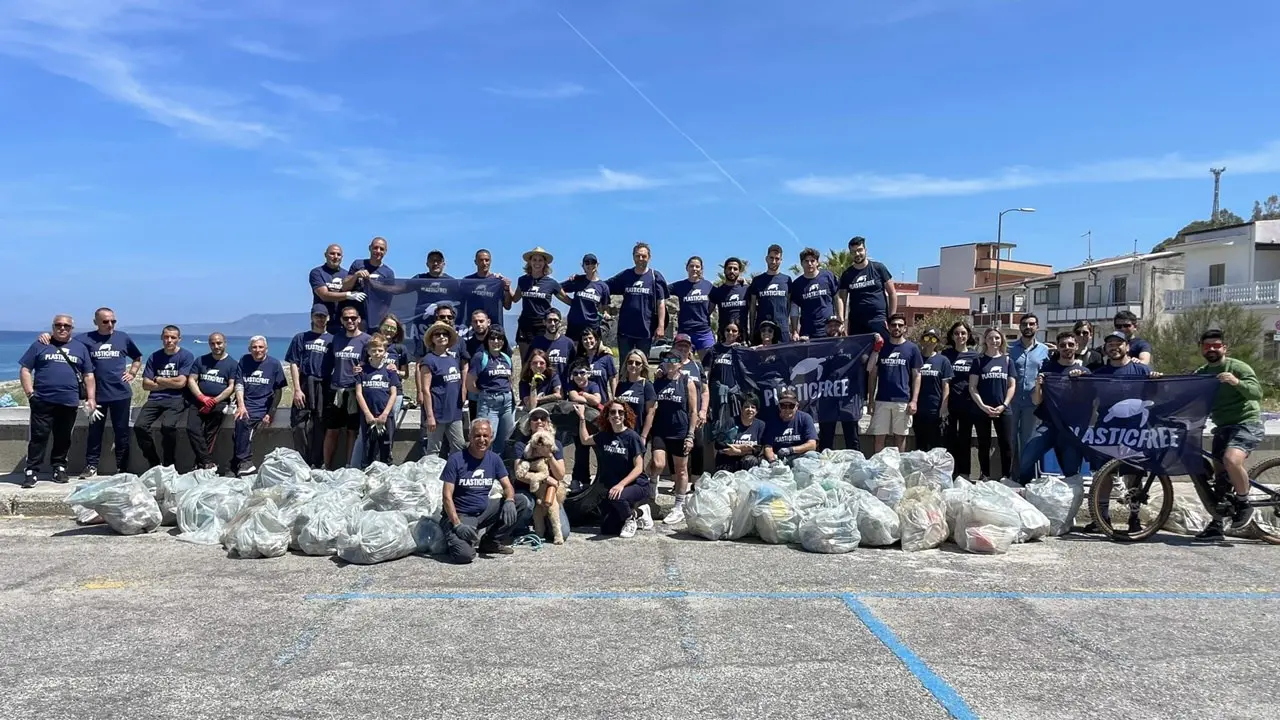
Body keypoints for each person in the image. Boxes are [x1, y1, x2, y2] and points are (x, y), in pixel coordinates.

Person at [34, 307, 141, 478]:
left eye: (113, 321)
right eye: (105, 321)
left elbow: (137, 358)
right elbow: (64, 340)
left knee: (121, 432)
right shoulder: (85, 339)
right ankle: (91, 465)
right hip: (96, 396)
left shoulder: (123, 338)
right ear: (96, 322)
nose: (110, 324)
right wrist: (46, 336)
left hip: (121, 394)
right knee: (94, 432)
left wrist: (133, 373)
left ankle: (123, 468)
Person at [1194, 328, 1264, 536]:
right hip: (1222, 427)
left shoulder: (1237, 367)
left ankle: (1244, 504)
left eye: (1216, 345)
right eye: (1208, 346)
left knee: (1231, 460)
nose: (1212, 349)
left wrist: (1237, 382)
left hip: (1246, 423)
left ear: (1224, 348)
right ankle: (1217, 524)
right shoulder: (1202, 373)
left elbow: (1257, 393)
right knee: (1221, 478)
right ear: (1202, 349)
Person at [18, 315, 95, 487]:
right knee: (39, 436)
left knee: (63, 437)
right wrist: (30, 393)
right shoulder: (41, 344)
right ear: (53, 327)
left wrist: (91, 398)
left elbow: (88, 375)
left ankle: (59, 467)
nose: (62, 328)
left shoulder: (80, 348)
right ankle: (31, 470)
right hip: (42, 400)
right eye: (58, 325)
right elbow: (25, 369)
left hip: (69, 401)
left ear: (71, 329)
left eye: (66, 326)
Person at [441, 419, 520, 563]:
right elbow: (446, 496)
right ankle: (452, 534)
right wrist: (457, 524)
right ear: (469, 437)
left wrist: (509, 500)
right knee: (464, 556)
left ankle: (491, 541)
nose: (482, 440)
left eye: (486, 436)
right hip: (461, 514)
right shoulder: (456, 459)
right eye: (477, 436)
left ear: (491, 438)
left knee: (522, 503)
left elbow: (508, 486)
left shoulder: (495, 459)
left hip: (483, 511)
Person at [575, 400, 653, 537]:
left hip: (637, 484)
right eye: (612, 412)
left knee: (617, 497)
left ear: (625, 415)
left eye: (620, 412)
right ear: (607, 415)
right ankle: (640, 512)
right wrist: (582, 418)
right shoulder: (605, 436)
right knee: (607, 529)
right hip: (615, 486)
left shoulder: (632, 437)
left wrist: (621, 485)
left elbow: (639, 467)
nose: (616, 415)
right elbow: (585, 440)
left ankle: (630, 520)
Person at [1017, 330, 1085, 485]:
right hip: (1047, 425)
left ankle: (1071, 503)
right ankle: (1023, 490)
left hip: (1070, 429)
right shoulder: (1047, 369)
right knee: (1026, 460)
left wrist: (1080, 382)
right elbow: (1036, 401)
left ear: (1076, 346)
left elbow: (1089, 402)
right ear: (1058, 348)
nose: (1066, 348)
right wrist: (1038, 384)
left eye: (1070, 344)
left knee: (1071, 472)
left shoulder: (1084, 372)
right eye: (1063, 345)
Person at [350, 314, 410, 468]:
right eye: (387, 326)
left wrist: (395, 371)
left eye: (393, 328)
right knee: (365, 438)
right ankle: (360, 466)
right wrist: (357, 369)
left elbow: (406, 374)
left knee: (386, 434)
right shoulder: (369, 346)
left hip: (391, 396)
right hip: (369, 401)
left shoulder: (400, 349)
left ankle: (383, 466)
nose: (389, 330)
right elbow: (362, 366)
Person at [135, 325, 196, 469]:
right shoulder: (155, 356)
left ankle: (169, 463)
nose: (169, 340)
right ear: (162, 338)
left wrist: (159, 379)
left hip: (177, 399)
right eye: (166, 337)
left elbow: (181, 383)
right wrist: (170, 383)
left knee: (168, 427)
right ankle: (154, 462)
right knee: (139, 427)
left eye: (173, 337)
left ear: (179, 339)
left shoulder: (186, 356)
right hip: (155, 399)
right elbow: (146, 385)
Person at [650, 350, 699, 526]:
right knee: (657, 463)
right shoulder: (658, 381)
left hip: (680, 431)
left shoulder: (687, 382)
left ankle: (679, 505)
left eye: (674, 360)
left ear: (680, 363)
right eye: (667, 359)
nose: (670, 362)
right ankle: (651, 490)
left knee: (681, 470)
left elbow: (693, 411)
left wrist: (691, 435)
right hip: (660, 430)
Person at [511, 407, 571, 541]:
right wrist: (545, 479)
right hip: (527, 490)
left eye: (543, 418)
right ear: (529, 424)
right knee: (525, 503)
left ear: (548, 423)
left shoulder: (556, 445)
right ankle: (522, 528)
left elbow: (561, 475)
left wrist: (549, 456)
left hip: (549, 493)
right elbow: (519, 474)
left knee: (564, 532)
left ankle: (547, 528)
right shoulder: (521, 445)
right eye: (534, 419)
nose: (539, 421)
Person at [286, 305, 334, 468]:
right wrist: (297, 389)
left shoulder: (333, 340)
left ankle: (317, 461)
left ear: (328, 318)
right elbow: (294, 364)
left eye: (323, 316)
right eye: (317, 316)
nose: (320, 319)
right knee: (299, 425)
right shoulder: (301, 338)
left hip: (324, 385)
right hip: (305, 384)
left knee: (320, 425)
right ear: (312, 317)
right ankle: (302, 460)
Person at [323, 307, 372, 469]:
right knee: (332, 430)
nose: (350, 321)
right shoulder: (336, 339)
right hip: (336, 390)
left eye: (353, 318)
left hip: (355, 391)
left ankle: (349, 465)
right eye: (346, 318)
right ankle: (327, 465)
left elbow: (374, 363)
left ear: (359, 319)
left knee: (352, 431)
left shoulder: (367, 340)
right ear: (342, 321)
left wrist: (363, 367)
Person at [232, 336, 287, 476]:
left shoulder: (274, 364)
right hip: (245, 403)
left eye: (260, 347)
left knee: (244, 425)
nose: (257, 350)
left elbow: (278, 390)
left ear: (266, 349)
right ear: (250, 349)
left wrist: (271, 413)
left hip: (262, 406)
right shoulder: (244, 360)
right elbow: (239, 384)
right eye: (254, 347)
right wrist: (241, 405)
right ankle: (242, 463)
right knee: (240, 421)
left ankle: (242, 462)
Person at [867, 314, 922, 453]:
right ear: (888, 327)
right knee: (879, 437)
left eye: (900, 325)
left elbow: (917, 375)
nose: (896, 328)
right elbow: (871, 372)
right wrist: (871, 400)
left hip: (903, 400)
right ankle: (878, 470)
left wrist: (914, 400)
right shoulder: (881, 346)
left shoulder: (912, 348)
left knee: (901, 437)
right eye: (893, 325)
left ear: (905, 328)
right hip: (882, 399)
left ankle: (898, 469)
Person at [185, 332, 239, 473]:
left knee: (210, 432)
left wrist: (215, 400)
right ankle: (207, 461)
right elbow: (191, 380)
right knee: (192, 429)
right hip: (199, 400)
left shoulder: (232, 364)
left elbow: (231, 386)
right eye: (213, 343)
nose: (216, 346)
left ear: (225, 343)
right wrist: (202, 397)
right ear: (209, 344)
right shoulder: (200, 361)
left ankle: (201, 464)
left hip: (219, 402)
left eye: (219, 343)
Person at [604, 242, 668, 358]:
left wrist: (661, 326)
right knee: (624, 365)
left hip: (645, 330)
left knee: (642, 364)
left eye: (644, 256)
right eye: (638, 256)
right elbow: (604, 286)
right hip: (625, 330)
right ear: (633, 257)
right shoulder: (626, 275)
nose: (640, 259)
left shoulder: (655, 277)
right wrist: (584, 280)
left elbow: (661, 303)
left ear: (649, 257)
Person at [969, 327, 1016, 482]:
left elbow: (1011, 385)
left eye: (997, 338)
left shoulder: (1008, 360)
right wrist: (982, 406)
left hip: (1003, 408)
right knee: (984, 443)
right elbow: (972, 387)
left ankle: (1006, 476)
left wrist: (1004, 404)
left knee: (1006, 443)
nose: (994, 341)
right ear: (985, 340)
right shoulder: (978, 360)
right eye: (990, 338)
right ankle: (985, 475)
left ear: (1001, 340)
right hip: (982, 409)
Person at [1008, 313, 1049, 471]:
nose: (1028, 327)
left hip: (1033, 403)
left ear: (1037, 327)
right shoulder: (1010, 349)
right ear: (1020, 327)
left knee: (1028, 440)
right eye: (1025, 324)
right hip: (1012, 401)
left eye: (1032, 324)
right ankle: (1011, 474)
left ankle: (1026, 476)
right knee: (1010, 439)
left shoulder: (1044, 350)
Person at [467, 326, 517, 456]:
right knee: (486, 437)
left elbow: (510, 379)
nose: (496, 341)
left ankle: (497, 467)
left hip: (507, 402)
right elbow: (470, 384)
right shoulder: (480, 357)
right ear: (487, 340)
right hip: (489, 403)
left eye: (499, 338)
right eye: (492, 338)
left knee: (505, 437)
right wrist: (485, 394)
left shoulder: (506, 358)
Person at [352, 336, 401, 468]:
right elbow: (358, 393)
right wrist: (367, 413)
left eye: (380, 350)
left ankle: (386, 474)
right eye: (373, 350)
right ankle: (366, 473)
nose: (377, 353)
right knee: (368, 448)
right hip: (368, 417)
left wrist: (385, 414)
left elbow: (393, 393)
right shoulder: (362, 372)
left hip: (386, 417)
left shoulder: (390, 371)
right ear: (368, 352)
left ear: (385, 352)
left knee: (386, 447)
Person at [419, 321, 465, 458]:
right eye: (437, 334)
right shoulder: (428, 360)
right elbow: (426, 390)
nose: (441, 336)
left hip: (455, 412)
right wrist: (430, 416)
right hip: (437, 413)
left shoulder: (453, 359)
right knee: (433, 450)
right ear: (432, 339)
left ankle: (456, 476)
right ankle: (430, 478)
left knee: (459, 446)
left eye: (444, 334)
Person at [839, 236, 896, 340]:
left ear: (865, 250)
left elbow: (892, 293)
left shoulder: (879, 268)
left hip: (878, 320)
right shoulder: (847, 274)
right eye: (853, 252)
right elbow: (842, 299)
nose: (857, 254)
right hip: (857, 323)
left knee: (882, 353)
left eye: (860, 250)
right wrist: (842, 322)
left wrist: (892, 318)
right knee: (860, 356)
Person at [942, 321, 979, 481]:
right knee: (949, 439)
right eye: (957, 333)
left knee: (965, 439)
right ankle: (949, 473)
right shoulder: (945, 355)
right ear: (952, 336)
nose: (960, 336)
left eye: (963, 333)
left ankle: (964, 474)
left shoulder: (975, 356)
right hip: (949, 403)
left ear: (968, 335)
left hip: (968, 404)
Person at [509, 246, 562, 359]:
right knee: (526, 360)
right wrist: (507, 287)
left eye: (540, 260)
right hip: (525, 324)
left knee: (541, 359)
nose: (537, 263)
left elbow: (566, 299)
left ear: (545, 263)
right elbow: (515, 298)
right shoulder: (523, 280)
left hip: (542, 325)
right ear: (530, 262)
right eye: (534, 260)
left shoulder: (551, 283)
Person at [565, 359, 605, 488]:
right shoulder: (571, 385)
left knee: (599, 451)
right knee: (581, 450)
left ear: (588, 373)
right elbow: (575, 398)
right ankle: (580, 480)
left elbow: (597, 399)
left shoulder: (593, 385)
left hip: (595, 423)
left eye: (582, 373)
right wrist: (588, 398)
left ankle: (588, 481)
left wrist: (584, 394)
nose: (578, 376)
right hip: (579, 424)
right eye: (575, 373)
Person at [702, 321, 743, 443]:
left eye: (734, 331)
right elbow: (706, 373)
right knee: (717, 428)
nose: (730, 333)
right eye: (728, 330)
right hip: (717, 395)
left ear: (739, 333)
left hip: (735, 395)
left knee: (735, 428)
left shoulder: (741, 350)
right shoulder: (714, 349)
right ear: (723, 332)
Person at [310, 244, 364, 335]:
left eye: (338, 255)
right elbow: (324, 295)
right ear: (325, 255)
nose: (335, 257)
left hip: (342, 323)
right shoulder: (317, 272)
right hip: (322, 323)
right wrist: (348, 295)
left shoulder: (347, 275)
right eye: (332, 254)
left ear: (342, 257)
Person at [914, 328, 952, 452]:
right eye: (926, 338)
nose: (930, 341)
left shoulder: (943, 361)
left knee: (935, 443)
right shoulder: (916, 357)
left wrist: (944, 406)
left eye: (933, 338)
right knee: (920, 444)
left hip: (935, 408)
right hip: (918, 408)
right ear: (921, 340)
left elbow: (945, 385)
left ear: (937, 342)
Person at [789, 247, 839, 341]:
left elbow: (837, 298)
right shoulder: (797, 284)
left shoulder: (828, 276)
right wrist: (795, 331)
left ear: (817, 262)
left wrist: (841, 321)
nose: (809, 264)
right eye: (806, 261)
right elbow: (794, 308)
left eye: (812, 261)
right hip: (807, 332)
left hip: (829, 330)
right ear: (801, 263)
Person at [346, 236, 395, 330]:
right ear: (370, 248)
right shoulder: (358, 264)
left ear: (385, 251)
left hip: (375, 318)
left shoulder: (388, 272)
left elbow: (388, 300)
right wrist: (356, 275)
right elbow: (345, 287)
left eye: (381, 249)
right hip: (354, 317)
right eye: (375, 247)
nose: (378, 251)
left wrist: (378, 319)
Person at [669, 256, 716, 351]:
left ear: (701, 269)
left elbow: (717, 299)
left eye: (697, 266)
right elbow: (661, 289)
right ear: (687, 268)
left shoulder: (708, 286)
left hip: (703, 331)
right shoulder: (679, 286)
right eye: (691, 266)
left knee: (710, 362)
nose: (694, 269)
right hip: (684, 331)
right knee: (677, 362)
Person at [560, 253, 611, 342]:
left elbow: (605, 307)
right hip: (574, 326)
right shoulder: (577, 280)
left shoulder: (603, 287)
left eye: (593, 262)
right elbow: (557, 288)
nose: (590, 265)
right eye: (587, 262)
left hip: (592, 328)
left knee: (591, 353)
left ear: (597, 264)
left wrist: (606, 314)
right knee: (573, 353)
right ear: (582, 266)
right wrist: (569, 302)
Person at [747, 244, 791, 341]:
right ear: (766, 259)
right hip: (763, 329)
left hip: (782, 330)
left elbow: (789, 305)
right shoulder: (757, 280)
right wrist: (752, 329)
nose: (774, 261)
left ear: (781, 260)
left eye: (777, 258)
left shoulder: (787, 280)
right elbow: (752, 307)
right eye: (771, 258)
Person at [762, 388, 818, 462]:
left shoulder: (805, 418)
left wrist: (791, 450)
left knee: (812, 455)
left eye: (791, 406)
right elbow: (768, 446)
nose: (787, 410)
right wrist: (772, 460)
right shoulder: (771, 421)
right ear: (779, 406)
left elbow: (812, 445)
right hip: (779, 458)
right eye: (783, 406)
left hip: (800, 457)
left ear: (797, 406)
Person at [615, 349, 657, 443]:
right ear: (626, 364)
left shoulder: (646, 385)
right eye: (630, 362)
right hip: (620, 433)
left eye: (637, 363)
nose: (633, 365)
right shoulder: (621, 384)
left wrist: (643, 436)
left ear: (642, 366)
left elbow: (651, 413)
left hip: (637, 434)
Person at [715, 395, 765, 472]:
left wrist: (738, 452)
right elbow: (718, 444)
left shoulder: (760, 425)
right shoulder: (731, 422)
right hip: (729, 461)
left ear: (757, 410)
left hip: (747, 462)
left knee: (751, 460)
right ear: (741, 409)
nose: (750, 410)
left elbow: (759, 449)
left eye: (753, 407)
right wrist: (740, 446)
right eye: (746, 407)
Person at [529, 308, 576, 386]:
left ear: (560, 323)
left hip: (563, 389)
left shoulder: (568, 343)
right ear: (544, 322)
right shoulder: (536, 342)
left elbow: (573, 366)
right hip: (541, 388)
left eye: (555, 320)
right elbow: (529, 365)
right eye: (549, 320)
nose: (553, 323)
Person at [576, 327, 616, 401]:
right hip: (584, 401)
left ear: (596, 340)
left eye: (590, 338)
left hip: (602, 401)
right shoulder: (579, 359)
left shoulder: (606, 357)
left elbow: (612, 378)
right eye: (585, 339)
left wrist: (614, 397)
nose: (588, 341)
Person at [710, 257, 749, 332]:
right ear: (724, 270)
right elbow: (707, 313)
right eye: (729, 268)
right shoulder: (717, 291)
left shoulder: (747, 289)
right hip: (724, 337)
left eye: (735, 269)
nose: (732, 271)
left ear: (739, 272)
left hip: (742, 337)